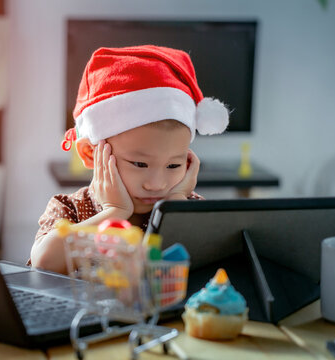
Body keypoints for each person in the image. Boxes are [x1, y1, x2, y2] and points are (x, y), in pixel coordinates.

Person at [30, 45, 229, 274]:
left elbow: (217, 263)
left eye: (173, 165)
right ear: (89, 153)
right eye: (140, 164)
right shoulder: (72, 209)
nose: (157, 184)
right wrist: (113, 212)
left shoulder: (188, 208)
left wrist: (174, 211)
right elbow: (44, 261)